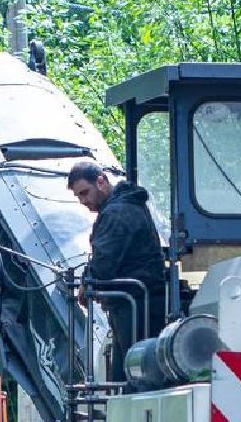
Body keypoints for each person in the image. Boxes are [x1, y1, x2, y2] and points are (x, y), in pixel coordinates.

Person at [67, 160, 170, 386]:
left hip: (135, 306)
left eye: (85, 193)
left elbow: (103, 264)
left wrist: (87, 284)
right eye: (79, 197)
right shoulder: (129, 205)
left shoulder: (118, 212)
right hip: (137, 304)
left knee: (133, 378)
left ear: (101, 181)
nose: (84, 201)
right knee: (129, 376)